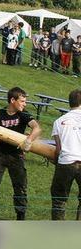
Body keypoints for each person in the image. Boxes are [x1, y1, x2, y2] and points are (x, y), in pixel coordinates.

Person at [0, 87, 42, 220]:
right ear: (13, 100)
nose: (25, 104)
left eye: (25, 101)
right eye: (22, 101)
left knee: (20, 187)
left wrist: (28, 141)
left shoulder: (23, 114)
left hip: (16, 156)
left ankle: (20, 217)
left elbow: (37, 128)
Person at [50, 89, 81, 220]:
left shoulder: (58, 121)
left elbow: (58, 148)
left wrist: (56, 161)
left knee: (59, 200)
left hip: (65, 162)